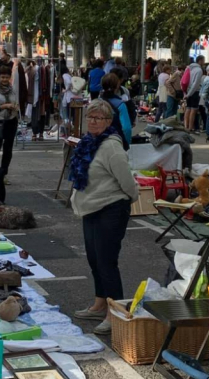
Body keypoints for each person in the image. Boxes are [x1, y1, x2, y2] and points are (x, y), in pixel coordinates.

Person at [69, 99, 138, 335]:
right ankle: (100, 304)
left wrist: (130, 198)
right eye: (90, 117)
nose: (93, 121)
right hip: (91, 209)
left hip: (111, 208)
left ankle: (115, 311)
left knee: (107, 262)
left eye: (99, 118)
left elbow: (127, 181)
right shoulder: (89, 142)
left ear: (109, 121)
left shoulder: (111, 146)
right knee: (94, 260)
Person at [0, 66, 21, 183]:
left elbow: (16, 102)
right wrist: (4, 106)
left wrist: (15, 108)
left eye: (7, 77)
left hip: (11, 121)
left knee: (8, 149)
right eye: (2, 77)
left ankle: (3, 174)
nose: (5, 80)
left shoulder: (13, 90)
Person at [100, 73, 133, 149]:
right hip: (115, 142)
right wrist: (126, 144)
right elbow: (126, 128)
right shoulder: (120, 104)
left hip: (99, 141)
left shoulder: (96, 103)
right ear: (117, 86)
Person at [184, 56, 205, 132]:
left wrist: (186, 93)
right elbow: (196, 83)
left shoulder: (189, 68)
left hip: (188, 89)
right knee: (193, 110)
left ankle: (186, 126)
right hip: (195, 91)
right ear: (200, 60)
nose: (204, 62)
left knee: (188, 108)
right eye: (203, 60)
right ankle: (190, 127)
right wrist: (189, 94)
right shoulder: (199, 70)